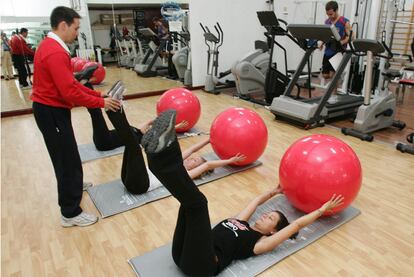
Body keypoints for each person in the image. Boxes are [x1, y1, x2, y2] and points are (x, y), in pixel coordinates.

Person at [139, 109, 345, 276]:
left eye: (271, 217)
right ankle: (163, 155)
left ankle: (163, 157)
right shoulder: (242, 222)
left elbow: (297, 224)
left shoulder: (259, 243)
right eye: (269, 213)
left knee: (198, 204)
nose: (266, 215)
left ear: (273, 230)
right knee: (189, 203)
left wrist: (321, 210)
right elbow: (255, 202)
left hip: (201, 267)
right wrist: (273, 192)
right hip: (182, 255)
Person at [31, 6, 121, 227]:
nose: (77, 32)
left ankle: (74, 184)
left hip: (53, 110)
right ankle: (70, 213)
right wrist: (101, 102)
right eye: (76, 28)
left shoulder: (52, 46)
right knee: (65, 159)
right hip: (50, 111)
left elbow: (71, 84)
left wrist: (98, 93)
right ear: (63, 25)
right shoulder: (55, 51)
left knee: (68, 153)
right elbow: (69, 92)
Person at [105, 102, 245, 194]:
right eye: (193, 159)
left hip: (140, 185)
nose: (190, 160)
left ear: (195, 169)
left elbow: (208, 164)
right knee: (133, 142)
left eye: (194, 162)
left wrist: (230, 160)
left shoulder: (184, 176)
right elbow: (192, 149)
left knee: (134, 146)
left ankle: (115, 112)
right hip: (128, 179)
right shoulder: (178, 162)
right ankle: (116, 110)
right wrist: (209, 140)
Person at [321, 1, 351, 103]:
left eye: (331, 14)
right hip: (328, 50)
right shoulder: (327, 22)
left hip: (339, 51)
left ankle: (334, 96)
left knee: (333, 76)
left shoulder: (344, 22)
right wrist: (321, 43)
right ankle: (341, 76)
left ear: (336, 10)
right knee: (325, 75)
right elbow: (325, 36)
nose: (329, 16)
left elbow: (351, 36)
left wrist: (342, 42)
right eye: (328, 14)